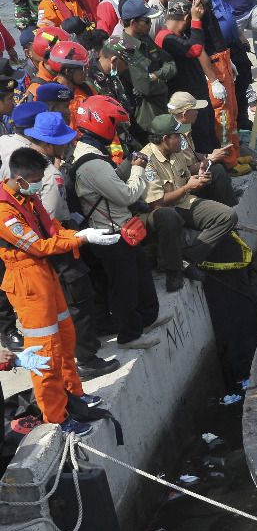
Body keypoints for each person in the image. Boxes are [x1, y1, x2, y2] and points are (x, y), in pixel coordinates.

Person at [0, 146, 118, 435]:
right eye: (38, 178)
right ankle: (56, 416)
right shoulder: (4, 211)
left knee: (66, 336)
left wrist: (81, 234)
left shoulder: (27, 198)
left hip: (46, 276)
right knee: (44, 353)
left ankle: (73, 396)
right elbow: (38, 246)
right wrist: (80, 240)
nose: (41, 184)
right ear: (20, 178)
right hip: (27, 282)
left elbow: (51, 230)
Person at [24, 111, 121, 380]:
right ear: (50, 144)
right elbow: (51, 219)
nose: (67, 145)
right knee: (79, 299)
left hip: (36, 249)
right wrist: (78, 234)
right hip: (59, 247)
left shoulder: (19, 162)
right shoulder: (49, 175)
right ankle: (87, 358)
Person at [69, 95, 161, 348]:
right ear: (103, 123)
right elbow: (127, 194)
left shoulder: (92, 152)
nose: (118, 132)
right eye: (116, 126)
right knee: (124, 286)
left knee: (140, 275)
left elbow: (111, 185)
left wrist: (128, 167)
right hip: (110, 234)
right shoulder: (92, 164)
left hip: (121, 229)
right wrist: (139, 169)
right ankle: (129, 335)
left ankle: (147, 318)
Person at [141, 114, 237, 291]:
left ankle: (187, 258)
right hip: (163, 212)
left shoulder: (174, 151)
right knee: (168, 216)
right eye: (177, 136)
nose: (181, 139)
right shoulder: (147, 162)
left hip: (184, 201)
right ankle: (173, 270)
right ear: (165, 139)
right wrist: (187, 187)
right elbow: (157, 204)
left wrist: (199, 174)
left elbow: (185, 172)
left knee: (228, 216)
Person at [188, 0, 246, 171]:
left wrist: (228, 61)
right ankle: (229, 162)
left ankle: (236, 154)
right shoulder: (193, 12)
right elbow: (199, 48)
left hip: (223, 60)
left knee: (233, 111)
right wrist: (212, 80)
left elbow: (216, 37)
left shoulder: (207, 5)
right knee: (223, 118)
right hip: (213, 66)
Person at [154, 0, 227, 157]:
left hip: (197, 93)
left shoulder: (178, 35)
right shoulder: (166, 38)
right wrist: (196, 21)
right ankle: (211, 172)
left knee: (209, 130)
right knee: (201, 136)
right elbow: (195, 49)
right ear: (186, 18)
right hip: (188, 99)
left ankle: (220, 164)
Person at [167, 91, 236, 206]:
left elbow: (191, 155)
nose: (197, 112)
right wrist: (212, 159)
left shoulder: (184, 127)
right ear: (184, 114)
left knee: (218, 166)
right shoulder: (175, 137)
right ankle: (227, 207)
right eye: (194, 109)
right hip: (184, 184)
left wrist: (207, 156)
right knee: (217, 170)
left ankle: (227, 197)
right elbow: (186, 170)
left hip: (192, 175)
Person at [119, 0, 177, 133]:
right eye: (147, 21)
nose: (151, 24)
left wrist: (156, 75)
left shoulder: (145, 38)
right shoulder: (120, 45)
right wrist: (161, 79)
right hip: (146, 117)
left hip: (162, 106)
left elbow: (171, 63)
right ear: (133, 23)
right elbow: (145, 87)